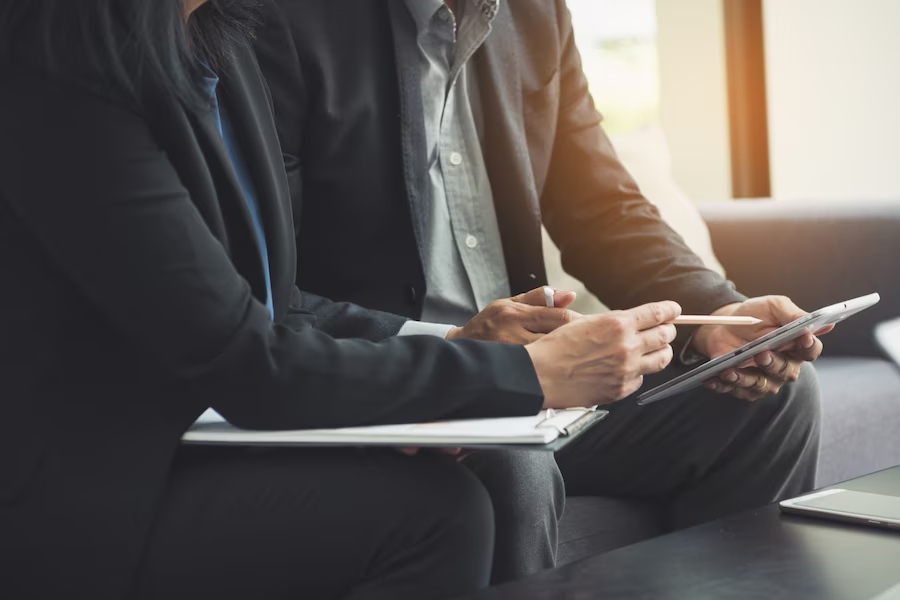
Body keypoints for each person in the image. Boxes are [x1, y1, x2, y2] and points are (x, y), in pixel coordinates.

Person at [0, 1, 685, 599]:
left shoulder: (218, 44)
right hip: (97, 487)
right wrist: (523, 377)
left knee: (449, 500)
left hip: (196, 438)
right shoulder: (55, 70)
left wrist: (458, 349)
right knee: (436, 514)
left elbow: (277, 303)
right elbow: (244, 361)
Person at [252, 0, 826, 578]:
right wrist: (457, 346)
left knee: (774, 403)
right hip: (398, 384)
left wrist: (719, 310)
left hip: (544, 385)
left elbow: (602, 210)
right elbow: (266, 292)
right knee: (511, 463)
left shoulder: (534, 15)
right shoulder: (282, 21)